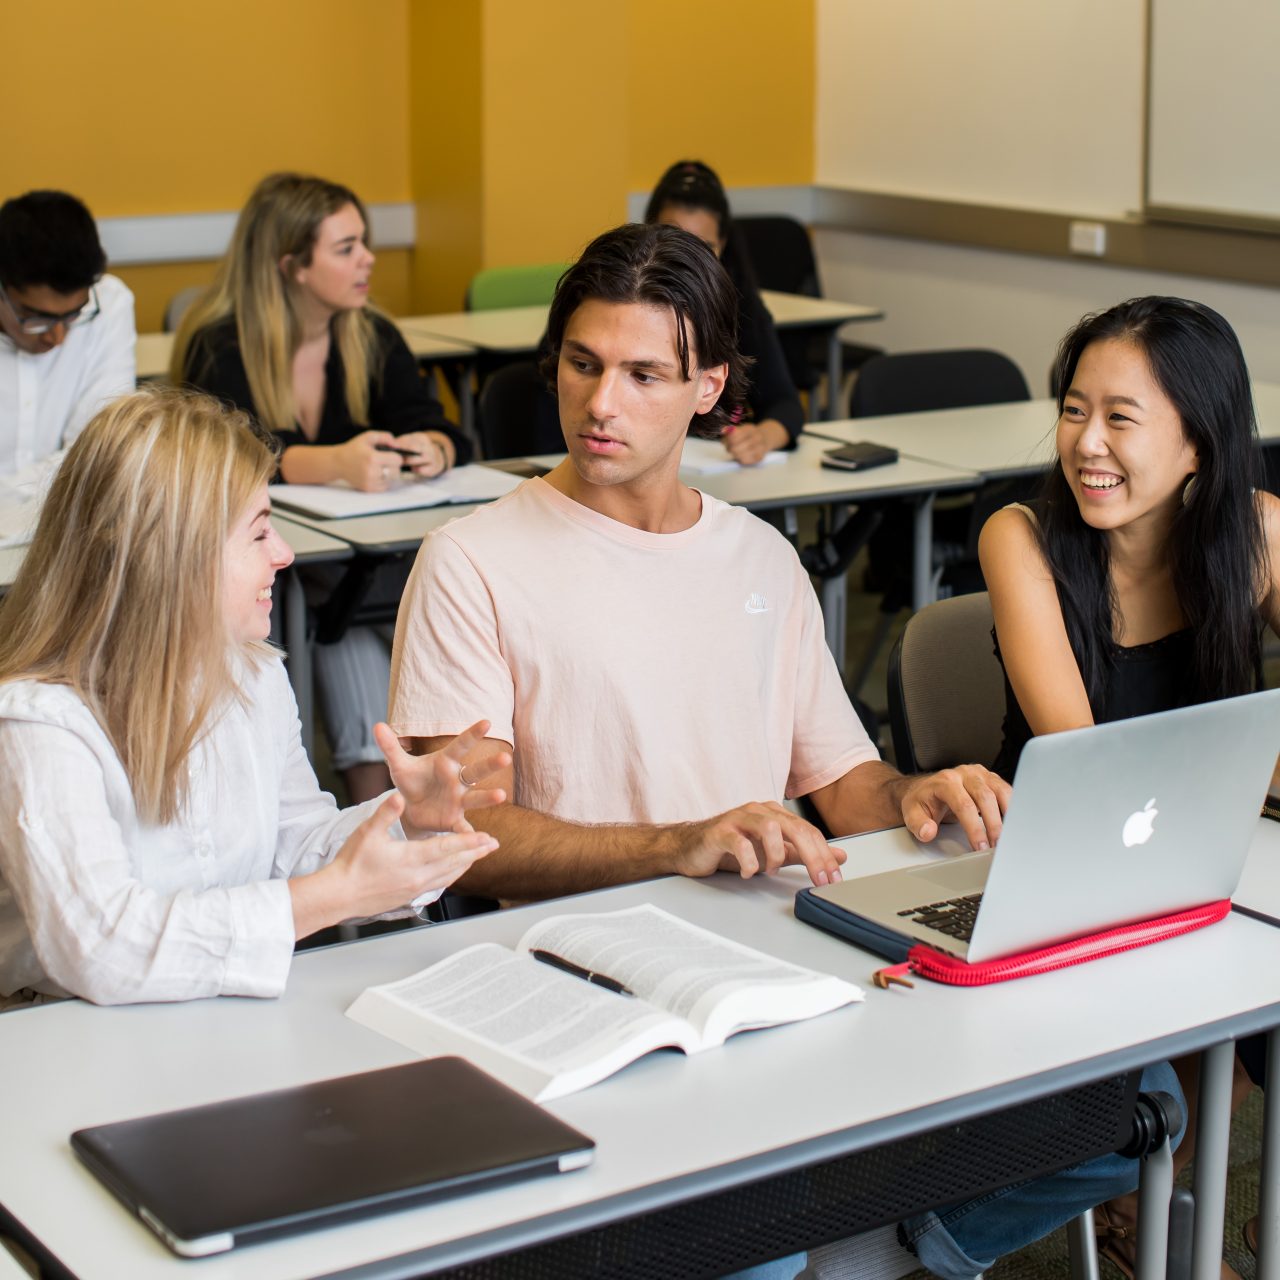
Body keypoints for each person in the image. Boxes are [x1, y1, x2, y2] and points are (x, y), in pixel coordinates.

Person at [387, 224, 1184, 1279]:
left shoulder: (756, 555)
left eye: (640, 374)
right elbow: (470, 838)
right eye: (582, 365)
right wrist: (680, 841)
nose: (599, 404)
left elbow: (844, 786)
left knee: (1137, 1099)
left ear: (709, 387)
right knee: (753, 1241)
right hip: (588, 970)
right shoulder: (472, 560)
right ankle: (824, 1242)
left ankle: (879, 1242)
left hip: (779, 951)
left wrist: (915, 793)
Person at [0, 387, 505, 1010]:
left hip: (216, 1023)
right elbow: (103, 948)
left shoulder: (253, 677)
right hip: (64, 1051)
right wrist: (333, 898)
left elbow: (295, 843)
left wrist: (404, 822)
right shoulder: (38, 723)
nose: (285, 555)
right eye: (260, 532)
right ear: (168, 557)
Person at [980, 295, 1278, 1278]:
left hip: (1204, 860)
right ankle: (1144, 1198)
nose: (1085, 443)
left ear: (1198, 444)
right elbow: (1087, 765)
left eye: (1120, 416)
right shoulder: (1020, 538)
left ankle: (1183, 1203)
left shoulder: (1258, 533)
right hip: (1052, 866)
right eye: (1073, 408)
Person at [174, 172, 473, 804]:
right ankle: (383, 806)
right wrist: (334, 462)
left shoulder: (371, 332)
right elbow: (218, 456)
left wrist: (434, 449)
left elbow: (440, 424)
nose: (368, 260)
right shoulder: (219, 342)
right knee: (342, 614)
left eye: (364, 242)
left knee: (360, 605)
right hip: (261, 560)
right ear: (291, 267)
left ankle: (411, 805)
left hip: (359, 560)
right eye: (346, 248)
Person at [645, 160, 804, 465]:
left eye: (704, 247)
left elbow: (786, 405)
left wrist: (764, 437)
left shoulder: (741, 310)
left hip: (712, 474)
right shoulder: (623, 304)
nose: (687, 261)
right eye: (673, 241)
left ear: (724, 247)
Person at [0, 190, 136, 480]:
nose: (57, 337)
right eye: (37, 317)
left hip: (67, 519)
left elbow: (98, 454)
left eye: (73, 315)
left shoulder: (109, 304)